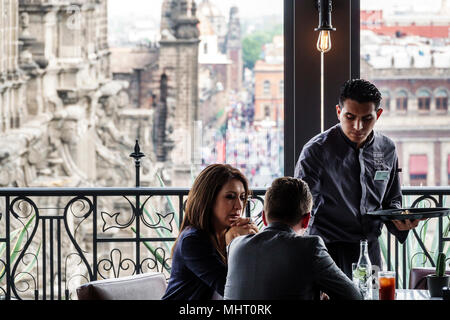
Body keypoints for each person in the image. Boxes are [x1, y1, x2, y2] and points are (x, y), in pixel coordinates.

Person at [294, 79, 420, 278]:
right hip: (328, 249)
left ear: (378, 115)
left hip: (370, 248)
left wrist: (399, 219)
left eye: (367, 118)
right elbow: (301, 207)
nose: (358, 126)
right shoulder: (316, 150)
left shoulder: (387, 148)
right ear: (338, 112)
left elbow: (392, 199)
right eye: (350, 117)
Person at [224, 177, 362, 300]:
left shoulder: (235, 245)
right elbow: (354, 296)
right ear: (307, 219)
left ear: (264, 217)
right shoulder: (310, 247)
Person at [162, 164, 258, 300]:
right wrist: (233, 245)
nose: (239, 206)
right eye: (230, 197)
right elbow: (233, 291)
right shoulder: (193, 240)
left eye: (242, 197)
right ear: (209, 199)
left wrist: (254, 243)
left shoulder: (231, 233)